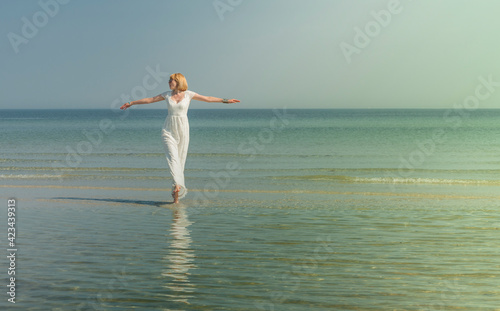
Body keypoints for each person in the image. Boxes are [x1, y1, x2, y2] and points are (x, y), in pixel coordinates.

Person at [120, 73, 240, 203]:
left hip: (183, 129)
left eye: (171, 80)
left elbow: (208, 98)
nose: (169, 82)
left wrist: (225, 100)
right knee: (172, 158)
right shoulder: (166, 94)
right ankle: (177, 185)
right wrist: (131, 102)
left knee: (180, 161)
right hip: (168, 129)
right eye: (169, 80)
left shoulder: (189, 94)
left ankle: (176, 198)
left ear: (178, 81)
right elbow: (150, 99)